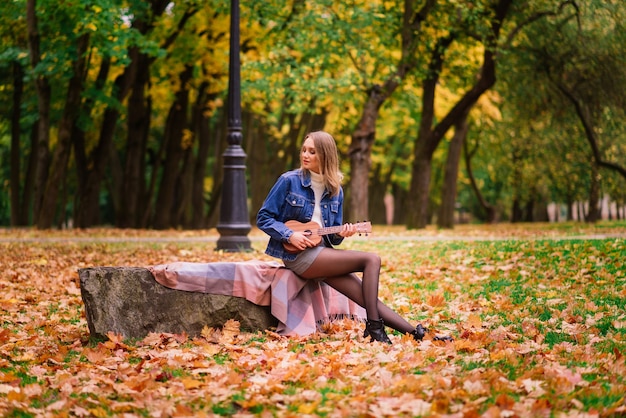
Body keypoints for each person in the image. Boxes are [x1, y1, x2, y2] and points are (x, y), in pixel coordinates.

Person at [256, 131, 429, 344]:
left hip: (322, 254)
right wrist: (290, 235)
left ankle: (418, 334)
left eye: (312, 151)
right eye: (304, 150)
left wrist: (341, 233)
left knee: (366, 298)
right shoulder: (288, 181)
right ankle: (374, 328)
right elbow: (264, 217)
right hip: (297, 256)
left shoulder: (335, 190)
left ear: (326, 155)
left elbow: (333, 239)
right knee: (371, 259)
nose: (305, 155)